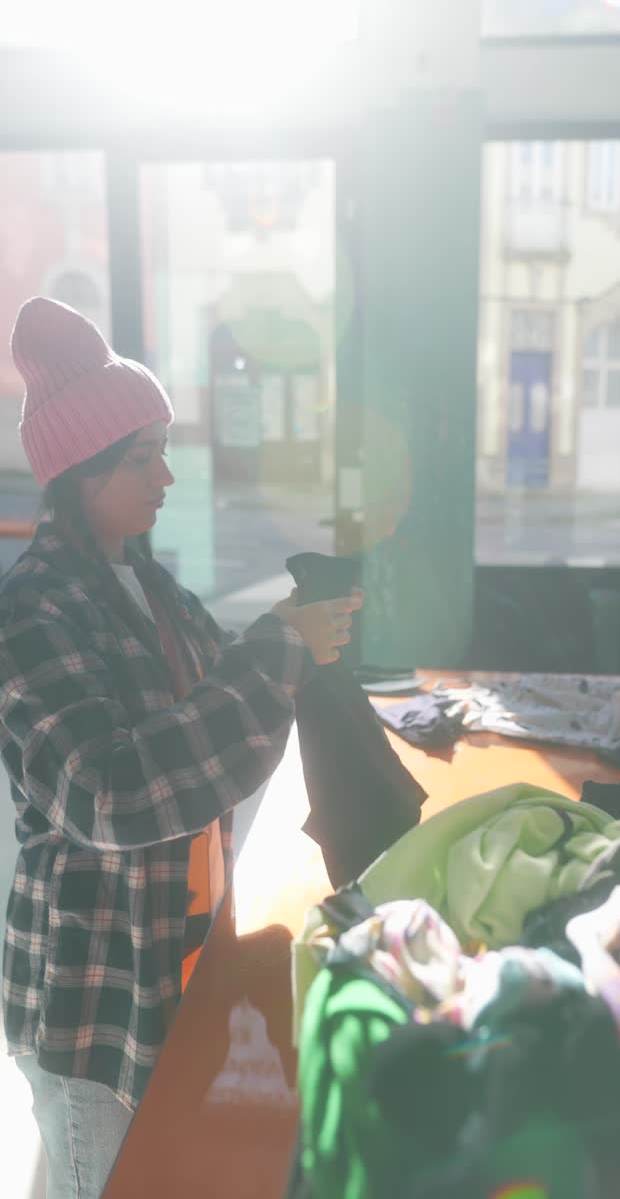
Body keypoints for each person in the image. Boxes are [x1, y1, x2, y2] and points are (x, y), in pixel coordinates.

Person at [0, 297, 363, 1199]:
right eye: (141, 455)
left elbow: (215, 695)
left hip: (173, 953)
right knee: (104, 1180)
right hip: (93, 992)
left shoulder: (144, 583)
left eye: (164, 446)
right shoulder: (29, 613)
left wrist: (291, 638)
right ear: (77, 473)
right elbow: (113, 796)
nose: (166, 474)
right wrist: (280, 648)